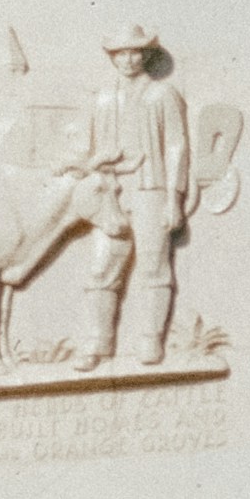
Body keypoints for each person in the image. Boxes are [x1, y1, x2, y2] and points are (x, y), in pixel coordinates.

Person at [71, 24, 193, 371]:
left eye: (134, 52)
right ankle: (97, 342)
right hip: (112, 188)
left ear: (146, 55)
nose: (127, 59)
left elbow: (176, 146)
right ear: (113, 57)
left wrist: (174, 197)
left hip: (150, 187)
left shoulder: (162, 95)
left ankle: (151, 339)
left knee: (153, 265)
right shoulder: (103, 97)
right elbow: (84, 145)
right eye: (120, 53)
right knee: (101, 268)